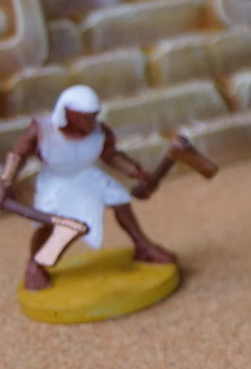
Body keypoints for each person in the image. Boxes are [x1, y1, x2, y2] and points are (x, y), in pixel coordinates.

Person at [7, 86, 172, 290]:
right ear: (69, 114)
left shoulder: (100, 132)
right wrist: (6, 181)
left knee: (119, 199)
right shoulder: (41, 131)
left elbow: (111, 155)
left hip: (87, 176)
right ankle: (36, 264)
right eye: (86, 117)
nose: (92, 122)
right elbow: (18, 155)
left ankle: (143, 246)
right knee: (49, 223)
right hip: (55, 181)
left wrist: (136, 172)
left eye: (94, 116)